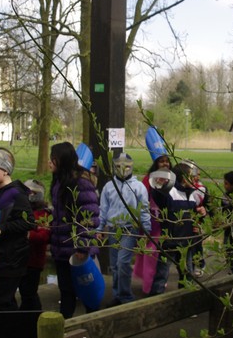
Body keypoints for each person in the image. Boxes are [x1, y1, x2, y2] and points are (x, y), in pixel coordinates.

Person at [49, 141, 100, 319]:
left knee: (87, 291)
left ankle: (92, 323)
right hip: (61, 249)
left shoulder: (81, 184)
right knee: (66, 291)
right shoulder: (58, 183)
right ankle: (65, 325)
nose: (49, 163)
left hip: (77, 251)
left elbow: (89, 218)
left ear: (62, 160)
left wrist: (82, 248)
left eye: (53, 159)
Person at [0, 147, 36, 312]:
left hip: (12, 258)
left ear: (5, 170)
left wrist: (2, 228)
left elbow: (29, 222)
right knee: (2, 301)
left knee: (2, 302)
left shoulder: (16, 193)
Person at [100, 153, 151, 305]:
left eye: (127, 166)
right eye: (118, 166)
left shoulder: (138, 187)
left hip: (129, 229)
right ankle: (118, 295)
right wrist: (99, 228)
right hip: (113, 229)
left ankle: (126, 296)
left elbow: (144, 209)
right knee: (115, 265)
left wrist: (146, 231)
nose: (123, 169)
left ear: (132, 166)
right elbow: (103, 209)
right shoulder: (109, 187)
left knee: (123, 263)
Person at [150, 162, 206, 287]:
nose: (194, 179)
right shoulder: (169, 193)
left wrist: (201, 214)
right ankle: (156, 295)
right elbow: (157, 194)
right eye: (191, 176)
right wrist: (162, 180)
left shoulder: (192, 194)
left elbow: (193, 216)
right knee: (162, 275)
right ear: (183, 178)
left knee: (187, 275)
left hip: (186, 242)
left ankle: (185, 296)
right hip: (170, 241)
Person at [135, 125, 174, 296]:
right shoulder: (148, 179)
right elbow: (142, 199)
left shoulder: (173, 179)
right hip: (151, 221)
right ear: (156, 163)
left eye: (167, 161)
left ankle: (157, 282)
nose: (165, 163)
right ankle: (149, 283)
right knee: (150, 253)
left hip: (165, 222)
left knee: (159, 254)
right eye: (161, 161)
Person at [19, 179, 52, 312]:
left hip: (34, 261)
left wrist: (26, 234)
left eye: (31, 192)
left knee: (29, 292)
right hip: (21, 259)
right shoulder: (22, 210)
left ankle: (36, 315)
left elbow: (43, 236)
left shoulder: (44, 214)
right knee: (24, 291)